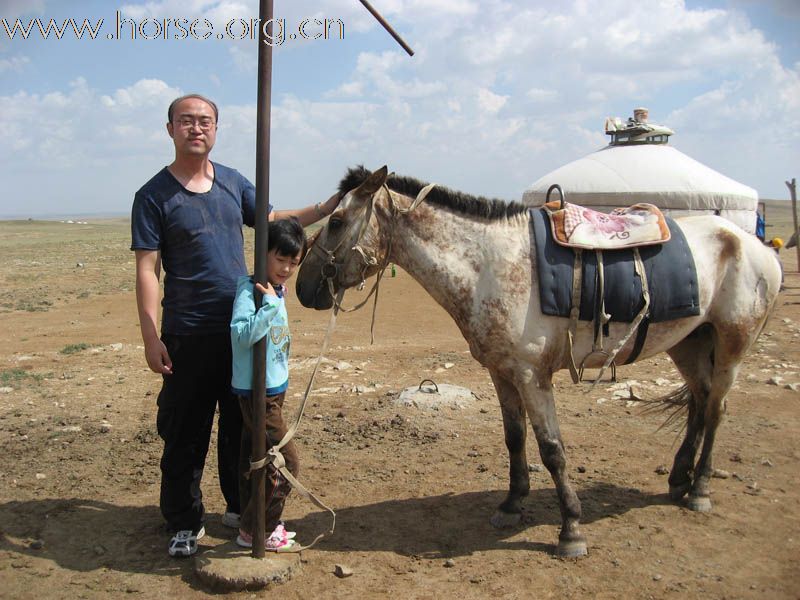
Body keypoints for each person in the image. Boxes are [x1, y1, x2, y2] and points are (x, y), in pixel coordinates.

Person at [131, 94, 339, 557]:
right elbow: (149, 269)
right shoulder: (152, 196)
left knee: (242, 429)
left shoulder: (233, 183)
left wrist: (325, 207)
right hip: (187, 331)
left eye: (205, 121)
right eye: (186, 121)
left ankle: (238, 509)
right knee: (186, 429)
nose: (196, 128)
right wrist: (150, 336)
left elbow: (271, 220)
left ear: (217, 129)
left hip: (240, 331)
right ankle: (184, 521)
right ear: (170, 129)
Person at [230, 217, 306, 551]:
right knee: (287, 463)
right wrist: (270, 307)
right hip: (258, 395)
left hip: (273, 390)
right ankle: (260, 527)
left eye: (293, 262)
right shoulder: (250, 291)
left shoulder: (276, 290)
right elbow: (241, 336)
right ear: (263, 254)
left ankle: (252, 528)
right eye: (281, 259)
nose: (287, 268)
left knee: (254, 460)